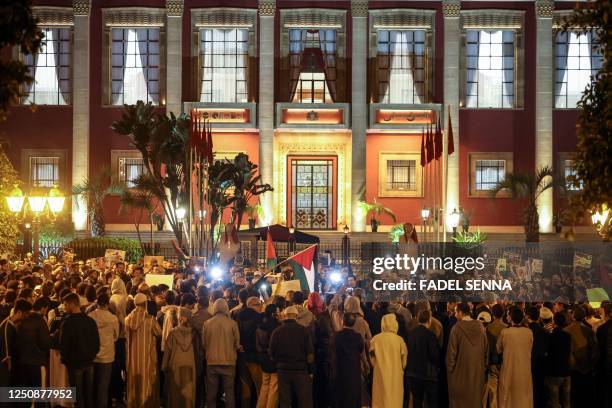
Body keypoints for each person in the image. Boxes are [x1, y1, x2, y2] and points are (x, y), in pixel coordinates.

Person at [59, 292, 100, 408]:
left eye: (65, 304)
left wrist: (65, 360)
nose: (64, 307)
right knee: (88, 395)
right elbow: (96, 342)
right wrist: (92, 355)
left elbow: (64, 344)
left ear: (72, 304)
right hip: (89, 363)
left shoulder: (68, 322)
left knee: (78, 396)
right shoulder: (90, 321)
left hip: (75, 365)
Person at [269, 305, 315, 408]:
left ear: (284, 316)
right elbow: (310, 354)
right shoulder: (303, 331)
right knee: (304, 400)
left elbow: (271, 353)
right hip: (300, 370)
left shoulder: (277, 332)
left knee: (285, 401)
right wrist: (311, 370)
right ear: (296, 316)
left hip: (283, 370)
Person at [446, 302, 487, 408]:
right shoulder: (481, 327)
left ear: (460, 312)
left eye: (456, 312)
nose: (455, 315)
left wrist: (451, 373)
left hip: (460, 376)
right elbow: (486, 351)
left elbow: (451, 356)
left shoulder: (456, 328)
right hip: (477, 375)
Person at [125, 292, 162, 408]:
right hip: (147, 357)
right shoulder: (150, 320)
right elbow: (159, 333)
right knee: (147, 382)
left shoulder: (127, 320)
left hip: (132, 358)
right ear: (145, 304)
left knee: (134, 382)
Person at [203, 298, 240, 408]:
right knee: (229, 392)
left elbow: (203, 343)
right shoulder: (232, 323)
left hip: (211, 361)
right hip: (229, 362)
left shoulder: (207, 323)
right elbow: (237, 343)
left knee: (211, 392)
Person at [162, 307, 200, 408]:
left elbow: (167, 352)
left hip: (175, 365)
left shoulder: (173, 332)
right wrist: (199, 367)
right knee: (189, 392)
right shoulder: (194, 334)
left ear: (179, 317)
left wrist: (164, 366)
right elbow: (197, 352)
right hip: (190, 366)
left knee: (176, 391)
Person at [497, 307, 533, 408]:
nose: (507, 316)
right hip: (524, 368)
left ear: (511, 317)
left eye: (508, 314)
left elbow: (498, 348)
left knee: (508, 397)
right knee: (523, 397)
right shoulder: (529, 332)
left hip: (509, 367)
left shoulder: (505, 332)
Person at [88, 291, 119, 408]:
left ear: (97, 303)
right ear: (107, 304)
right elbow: (116, 337)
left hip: (92, 355)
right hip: (107, 355)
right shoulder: (113, 318)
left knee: (91, 385)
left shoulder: (90, 316)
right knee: (103, 387)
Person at [370, 313, 407, 408]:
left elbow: (372, 357)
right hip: (396, 375)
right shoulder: (400, 340)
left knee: (380, 400)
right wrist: (400, 368)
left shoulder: (375, 339)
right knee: (394, 400)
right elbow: (404, 360)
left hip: (380, 375)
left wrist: (377, 366)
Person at [564, 304, 598, 407]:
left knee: (574, 399)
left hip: (572, 370)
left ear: (573, 315)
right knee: (586, 399)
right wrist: (591, 366)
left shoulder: (566, 330)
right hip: (587, 370)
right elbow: (595, 352)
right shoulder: (589, 331)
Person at [14, 296, 51, 390]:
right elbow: (45, 343)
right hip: (37, 363)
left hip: (21, 362)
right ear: (43, 308)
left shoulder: (19, 321)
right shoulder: (40, 321)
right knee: (39, 395)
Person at [406, 309, 440, 408]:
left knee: (417, 401)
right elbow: (434, 356)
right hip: (427, 374)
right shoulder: (431, 335)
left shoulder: (411, 334)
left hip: (413, 373)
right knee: (432, 402)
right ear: (429, 320)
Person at [331, 313, 364, 408]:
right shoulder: (358, 337)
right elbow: (361, 349)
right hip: (354, 372)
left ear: (342, 321)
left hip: (339, 371)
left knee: (340, 399)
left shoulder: (336, 336)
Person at [235, 296, 263, 407]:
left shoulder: (238, 315)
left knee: (245, 388)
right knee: (260, 387)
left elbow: (236, 333)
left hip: (242, 356)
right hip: (254, 356)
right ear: (255, 305)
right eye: (259, 304)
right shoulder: (259, 317)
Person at [545, 312, 572, 408]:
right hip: (566, 370)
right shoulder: (568, 336)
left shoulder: (551, 336)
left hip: (554, 371)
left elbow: (547, 352)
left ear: (554, 322)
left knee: (554, 401)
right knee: (567, 400)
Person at [256, 304, 280, 408]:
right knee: (274, 387)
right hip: (273, 359)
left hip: (263, 358)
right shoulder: (276, 326)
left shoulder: (260, 325)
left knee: (265, 384)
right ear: (273, 313)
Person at [0, 299, 29, 386]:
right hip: (7, 372)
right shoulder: (6, 328)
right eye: (26, 313)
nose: (27, 316)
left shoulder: (14, 325)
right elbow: (6, 355)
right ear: (19, 312)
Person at [525, 306, 549, 408]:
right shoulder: (543, 330)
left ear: (527, 316)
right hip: (541, 364)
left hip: (529, 363)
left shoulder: (527, 330)